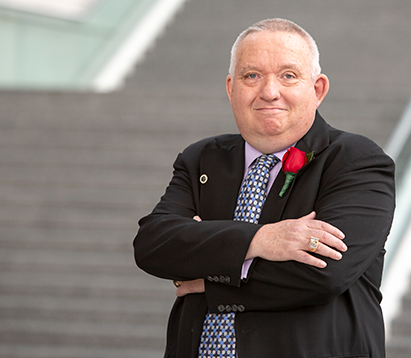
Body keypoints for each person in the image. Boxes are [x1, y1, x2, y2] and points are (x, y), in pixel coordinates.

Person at [134, 18, 395, 358]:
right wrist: (261, 240)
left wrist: (209, 278)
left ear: (317, 89)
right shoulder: (201, 159)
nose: (269, 91)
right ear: (231, 87)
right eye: (251, 76)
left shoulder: (356, 161)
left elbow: (326, 272)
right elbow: (154, 245)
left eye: (288, 75)